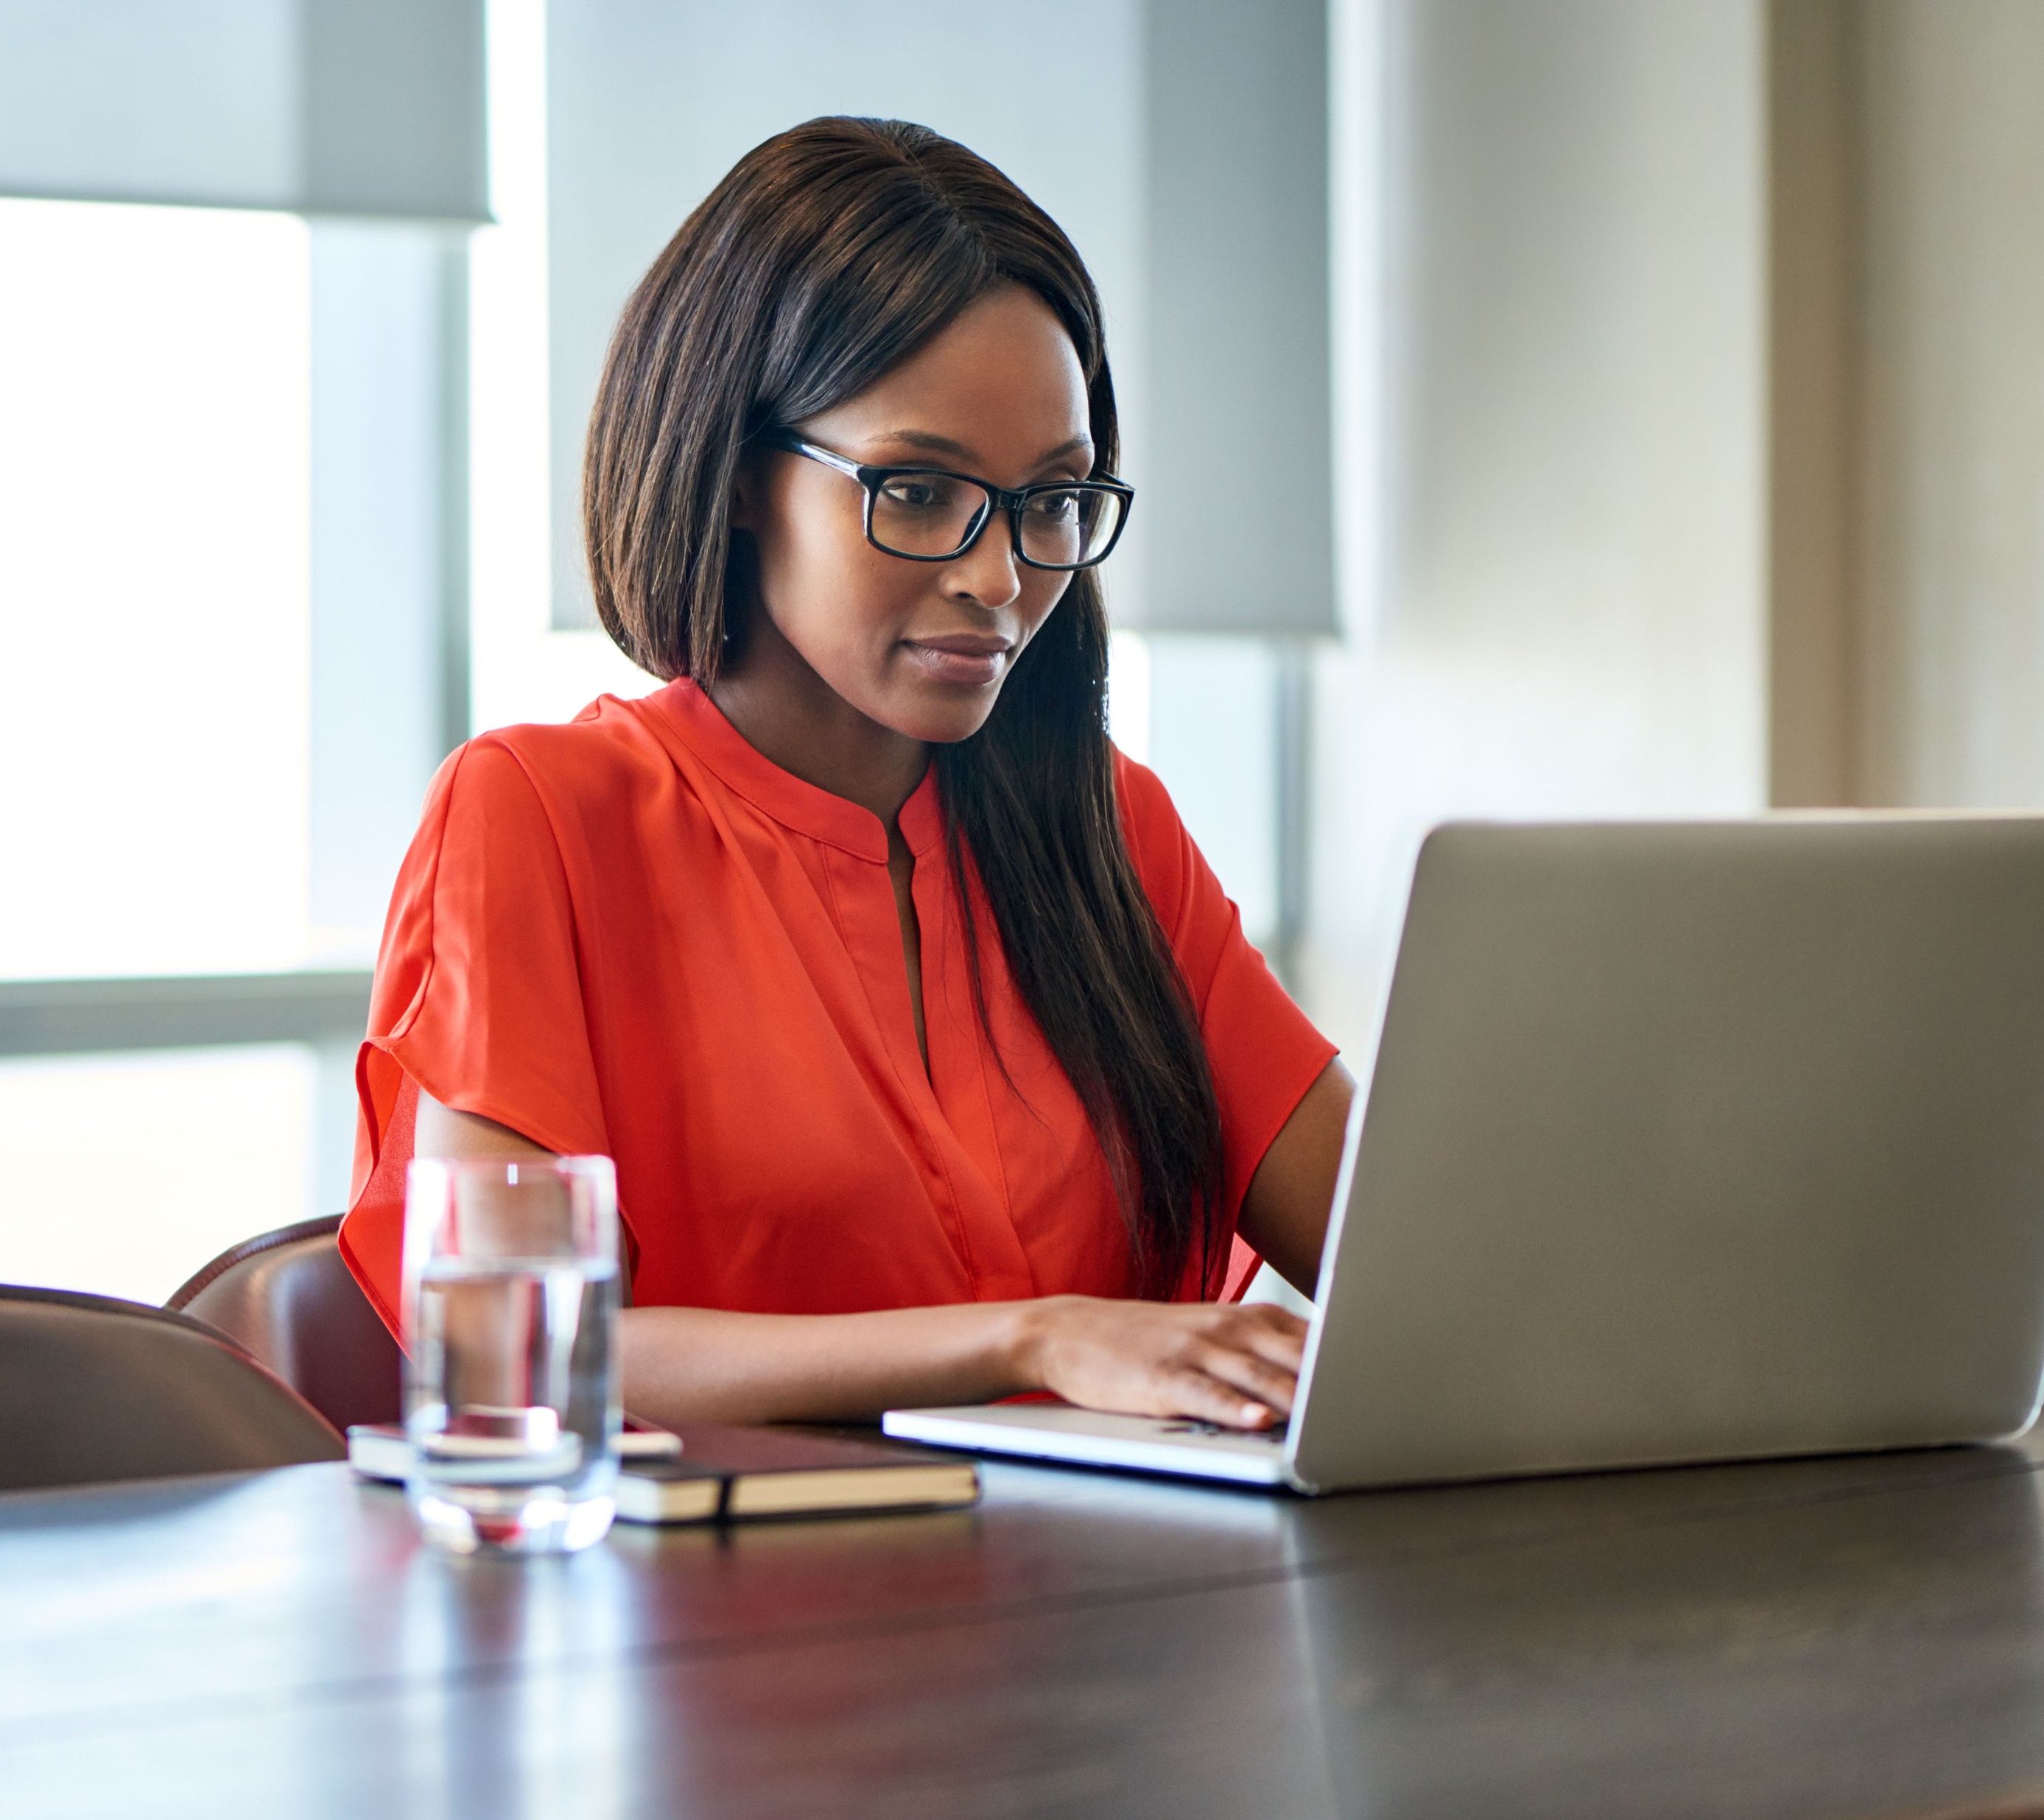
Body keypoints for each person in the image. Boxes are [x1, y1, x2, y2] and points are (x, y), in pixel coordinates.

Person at [337, 117, 1354, 1430]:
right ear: (743, 474)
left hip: (1124, 1606)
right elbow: (511, 1359)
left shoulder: (1111, 829)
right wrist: (1031, 1342)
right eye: (921, 493)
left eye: (1052, 502)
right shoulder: (538, 817)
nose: (999, 581)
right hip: (722, 1622)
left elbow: (1418, 1263)